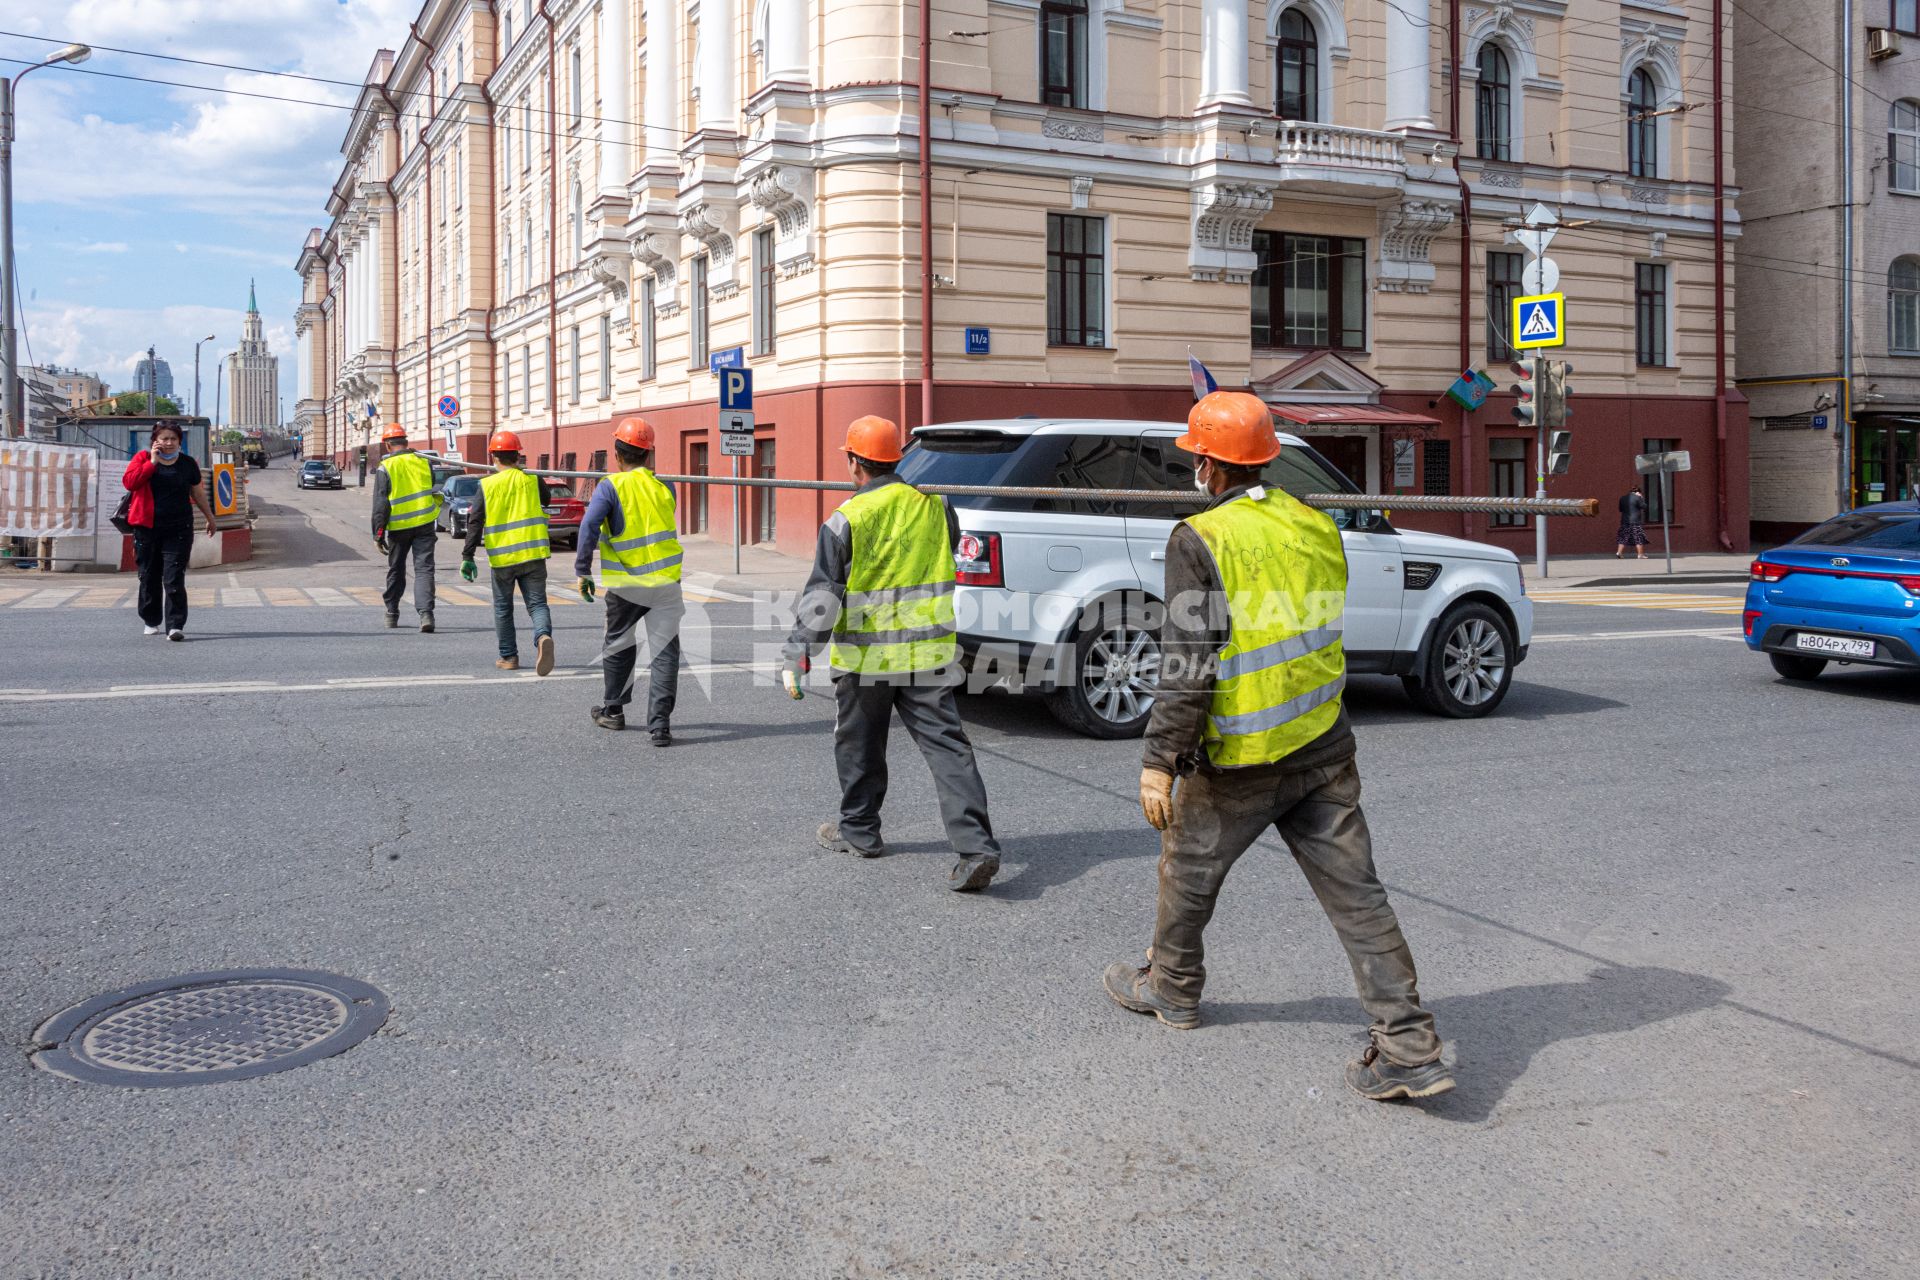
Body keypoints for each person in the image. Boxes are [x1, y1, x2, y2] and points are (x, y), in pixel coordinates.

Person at [1101, 391, 1452, 1102]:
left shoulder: (1198, 539)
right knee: (1360, 899)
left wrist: (1158, 762)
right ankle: (1410, 1048)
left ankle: (1171, 988)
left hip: (1240, 753)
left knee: (1188, 873)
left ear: (1208, 465)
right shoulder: (1315, 525)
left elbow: (1187, 661)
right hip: (1322, 743)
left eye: (1195, 458)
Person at [780, 415, 1001, 893]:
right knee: (948, 749)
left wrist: (798, 654)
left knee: (859, 745)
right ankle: (976, 847)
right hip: (929, 656)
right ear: (895, 460)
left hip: (868, 661)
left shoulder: (846, 519)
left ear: (855, 462)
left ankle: (860, 832)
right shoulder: (936, 507)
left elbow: (823, 596)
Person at [574, 416, 682, 743]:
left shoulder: (611, 486)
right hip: (666, 583)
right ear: (649, 454)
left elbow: (589, 526)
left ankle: (613, 712)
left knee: (619, 644)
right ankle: (660, 725)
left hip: (626, 586)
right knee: (665, 652)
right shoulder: (666, 486)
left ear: (617, 454)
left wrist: (582, 570)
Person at [461, 430, 556, 675]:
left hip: (503, 559)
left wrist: (467, 556)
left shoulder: (487, 485)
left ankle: (508, 656)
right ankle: (542, 636)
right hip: (534, 554)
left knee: (503, 608)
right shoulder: (533, 480)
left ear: (493, 456)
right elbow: (547, 501)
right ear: (518, 455)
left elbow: (475, 521)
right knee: (537, 604)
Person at [121, 423, 216, 641]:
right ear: (155, 440)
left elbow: (197, 491)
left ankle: (175, 625)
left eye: (173, 438)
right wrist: (152, 463)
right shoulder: (142, 459)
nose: (169, 442)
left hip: (179, 528)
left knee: (174, 578)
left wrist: (210, 518)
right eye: (164, 438)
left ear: (179, 441)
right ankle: (151, 620)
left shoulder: (187, 463)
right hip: (146, 529)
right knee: (149, 577)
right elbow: (130, 483)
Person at [371, 424, 440, 630]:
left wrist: (378, 533)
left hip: (399, 527)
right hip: (425, 523)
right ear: (406, 442)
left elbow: (381, 504)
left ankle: (392, 613)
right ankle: (426, 615)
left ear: (387, 445)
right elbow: (432, 484)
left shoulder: (386, 468)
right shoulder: (423, 462)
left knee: (396, 569)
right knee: (424, 569)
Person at [1617, 484, 1651, 559]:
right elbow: (1644, 506)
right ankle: (1640, 554)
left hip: (1624, 521)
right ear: (1638, 492)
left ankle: (1619, 552)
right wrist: (1641, 498)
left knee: (1623, 537)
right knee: (1638, 537)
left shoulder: (1622, 498)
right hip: (1635, 521)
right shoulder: (1638, 498)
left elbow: (1620, 509)